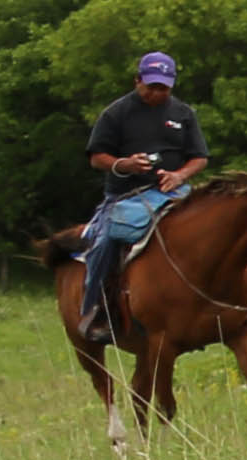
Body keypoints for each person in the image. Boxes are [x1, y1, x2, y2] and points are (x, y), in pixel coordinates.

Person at [75, 49, 203, 342]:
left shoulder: (184, 114)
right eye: (151, 86)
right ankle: (98, 308)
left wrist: (179, 175)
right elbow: (96, 157)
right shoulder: (116, 113)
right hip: (126, 196)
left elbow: (200, 157)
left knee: (219, 225)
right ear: (138, 81)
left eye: (163, 87)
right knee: (104, 243)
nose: (157, 93)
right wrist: (124, 164)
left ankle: (241, 293)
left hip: (174, 191)